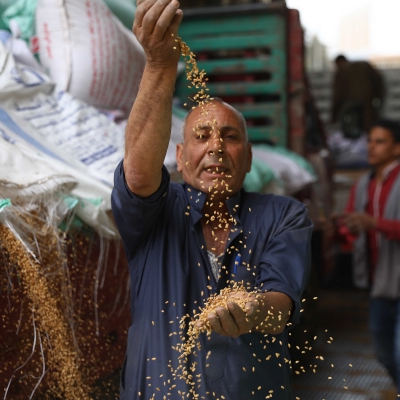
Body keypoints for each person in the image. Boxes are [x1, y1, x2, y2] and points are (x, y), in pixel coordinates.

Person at [111, 1, 313, 398]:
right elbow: (137, 174)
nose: (216, 147)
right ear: (181, 158)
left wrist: (252, 309)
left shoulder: (283, 215)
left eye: (231, 137)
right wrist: (159, 66)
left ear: (249, 158)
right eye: (201, 137)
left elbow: (280, 304)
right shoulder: (156, 214)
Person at [336, 120, 400, 399]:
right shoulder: (363, 185)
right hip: (380, 281)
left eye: (379, 141)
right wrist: (343, 227)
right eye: (370, 141)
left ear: (398, 148)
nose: (371, 147)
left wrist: (373, 222)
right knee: (384, 353)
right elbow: (351, 232)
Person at [331, 55, 385, 138]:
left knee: (352, 133)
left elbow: (337, 96)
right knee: (368, 129)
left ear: (338, 62)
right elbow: (380, 82)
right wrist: (377, 99)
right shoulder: (364, 65)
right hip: (367, 104)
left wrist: (333, 116)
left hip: (351, 106)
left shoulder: (341, 71)